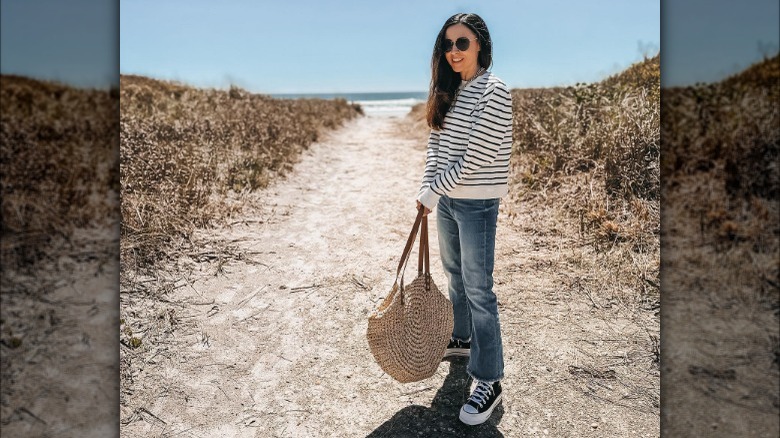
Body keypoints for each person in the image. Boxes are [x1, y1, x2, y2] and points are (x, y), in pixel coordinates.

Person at [416, 12, 513, 426]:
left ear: (480, 46)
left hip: (476, 203)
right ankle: (462, 337)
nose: (453, 52)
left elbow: (477, 157)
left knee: (479, 290)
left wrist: (437, 188)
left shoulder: (495, 90)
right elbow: (436, 147)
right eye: (447, 44)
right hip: (449, 203)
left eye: (462, 43)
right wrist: (426, 191)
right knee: (455, 274)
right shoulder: (449, 91)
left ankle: (489, 380)